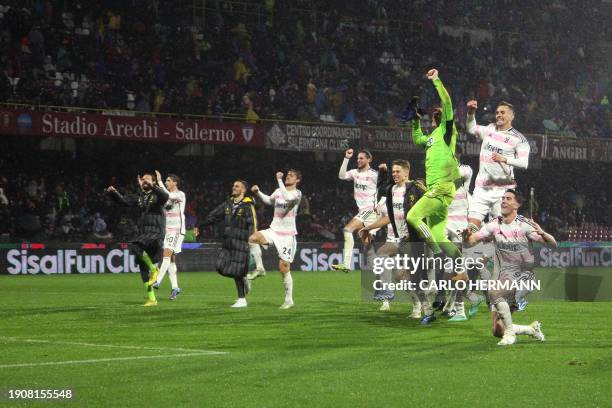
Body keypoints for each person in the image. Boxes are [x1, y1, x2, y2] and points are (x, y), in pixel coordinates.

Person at [463, 189, 557, 346]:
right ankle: (530, 330)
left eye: (508, 198)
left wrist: (543, 233)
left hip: (523, 278)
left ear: (517, 204)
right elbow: (471, 241)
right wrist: (466, 237)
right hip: (502, 279)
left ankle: (511, 335)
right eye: (503, 198)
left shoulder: (524, 225)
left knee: (493, 291)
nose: (503, 201)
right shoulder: (494, 225)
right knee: (497, 330)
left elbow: (553, 245)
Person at [405, 69, 463, 278]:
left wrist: (436, 80)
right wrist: (415, 121)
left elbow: (447, 102)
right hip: (436, 190)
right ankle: (460, 267)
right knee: (439, 237)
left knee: (412, 216)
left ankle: (437, 255)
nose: (430, 119)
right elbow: (417, 138)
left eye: (432, 116)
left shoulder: (447, 131)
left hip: (442, 188)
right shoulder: (431, 138)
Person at [360, 160, 430, 321]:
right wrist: (368, 227)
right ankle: (414, 304)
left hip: (414, 239)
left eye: (398, 172)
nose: (395, 174)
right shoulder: (391, 190)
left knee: (410, 278)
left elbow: (429, 208)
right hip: (399, 238)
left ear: (406, 173)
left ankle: (424, 307)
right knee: (386, 261)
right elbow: (390, 218)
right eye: (393, 172)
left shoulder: (416, 188)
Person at [465, 100, 530, 231]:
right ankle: (473, 250)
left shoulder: (519, 139)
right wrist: (471, 113)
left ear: (512, 116)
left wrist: (505, 159)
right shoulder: (489, 129)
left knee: (502, 233)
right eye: (497, 113)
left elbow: (524, 163)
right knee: (470, 229)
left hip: (503, 192)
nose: (499, 115)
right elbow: (471, 128)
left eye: (502, 112)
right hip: (482, 189)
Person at [106, 172, 169, 307]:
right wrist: (113, 193)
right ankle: (152, 299)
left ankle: (154, 269)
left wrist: (154, 185)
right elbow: (123, 201)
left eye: (147, 179)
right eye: (143, 179)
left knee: (135, 245)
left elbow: (165, 196)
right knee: (142, 267)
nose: (144, 181)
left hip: (156, 233)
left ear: (152, 182)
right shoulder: (139, 197)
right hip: (145, 233)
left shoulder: (157, 195)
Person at [249, 170, 302, 309]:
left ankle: (289, 299)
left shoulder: (297, 194)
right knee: (253, 238)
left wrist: (279, 180)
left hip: (287, 236)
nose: (288, 176)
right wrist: (258, 192)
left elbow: (288, 198)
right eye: (287, 175)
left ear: (297, 180)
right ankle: (260, 268)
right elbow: (269, 201)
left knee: (284, 268)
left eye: (291, 175)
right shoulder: (278, 190)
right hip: (273, 230)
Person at [203, 180, 257, 308]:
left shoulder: (248, 206)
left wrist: (250, 241)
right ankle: (244, 278)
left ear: (243, 190)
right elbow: (214, 216)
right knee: (220, 266)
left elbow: (252, 225)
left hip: (241, 242)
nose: (233, 187)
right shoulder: (228, 204)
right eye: (233, 185)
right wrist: (200, 226)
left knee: (237, 271)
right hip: (228, 242)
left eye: (237, 186)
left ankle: (242, 299)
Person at [331, 148, 379, 273]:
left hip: (371, 210)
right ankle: (378, 269)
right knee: (366, 242)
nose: (358, 160)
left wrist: (381, 204)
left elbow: (386, 188)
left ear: (369, 159)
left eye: (361, 158)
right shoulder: (354, 172)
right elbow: (341, 176)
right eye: (357, 158)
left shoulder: (374, 174)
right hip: (362, 211)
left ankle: (346, 264)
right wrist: (347, 158)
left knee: (347, 229)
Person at [152, 171, 186, 301]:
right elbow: (164, 196)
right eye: (165, 181)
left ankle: (157, 281)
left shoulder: (180, 194)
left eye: (168, 180)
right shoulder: (167, 196)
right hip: (168, 229)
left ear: (175, 183)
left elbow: (167, 195)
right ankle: (175, 287)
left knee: (166, 253)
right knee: (171, 258)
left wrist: (158, 182)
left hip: (177, 229)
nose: (166, 182)